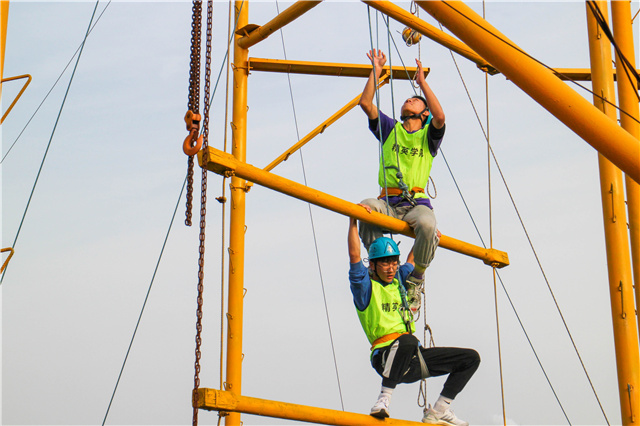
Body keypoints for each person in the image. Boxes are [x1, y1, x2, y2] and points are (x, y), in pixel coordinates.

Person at [348, 209, 479, 425]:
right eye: (385, 263)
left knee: (470, 359)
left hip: (412, 359)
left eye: (393, 263)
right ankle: (384, 398)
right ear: (372, 265)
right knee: (406, 340)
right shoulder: (365, 288)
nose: (391, 269)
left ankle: (439, 411)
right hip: (385, 357)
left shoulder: (398, 281)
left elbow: (413, 259)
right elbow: (354, 257)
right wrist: (352, 219)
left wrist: (426, 237)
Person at [357, 49, 446, 316]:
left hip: (416, 202)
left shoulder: (428, 137)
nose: (409, 99)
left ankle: (415, 278)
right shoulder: (390, 129)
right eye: (408, 99)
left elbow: (440, 118)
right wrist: (376, 69)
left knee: (429, 224)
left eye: (415, 101)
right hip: (389, 201)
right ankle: (381, 262)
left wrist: (423, 85)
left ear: (424, 113)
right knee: (365, 207)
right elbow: (366, 103)